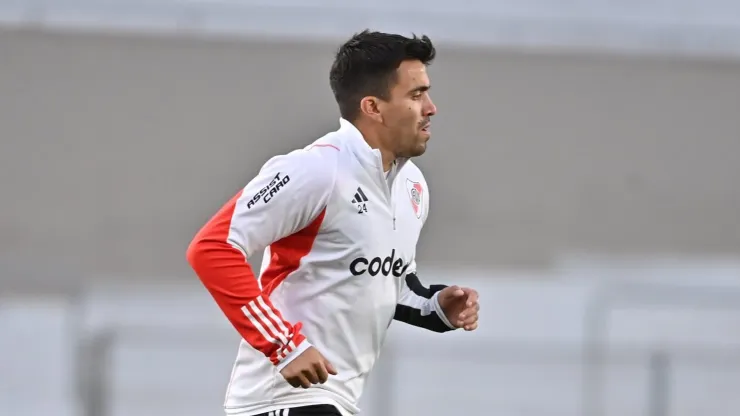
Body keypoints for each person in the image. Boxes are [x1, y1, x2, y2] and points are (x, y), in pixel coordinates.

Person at [186, 29, 480, 416]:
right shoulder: (316, 169)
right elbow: (212, 249)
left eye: (426, 92)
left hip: (334, 400)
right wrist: (283, 344)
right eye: (415, 95)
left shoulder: (412, 186)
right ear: (373, 107)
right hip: (283, 400)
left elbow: (385, 284)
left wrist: (435, 306)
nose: (431, 107)